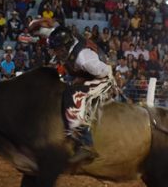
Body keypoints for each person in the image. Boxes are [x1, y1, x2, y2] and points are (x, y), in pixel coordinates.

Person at [30, 19, 112, 162]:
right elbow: (49, 28)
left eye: (57, 50)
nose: (55, 52)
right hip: (83, 72)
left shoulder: (84, 59)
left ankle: (87, 144)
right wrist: (36, 26)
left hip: (102, 77)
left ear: (65, 47)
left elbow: (106, 72)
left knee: (73, 96)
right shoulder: (63, 38)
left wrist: (82, 80)